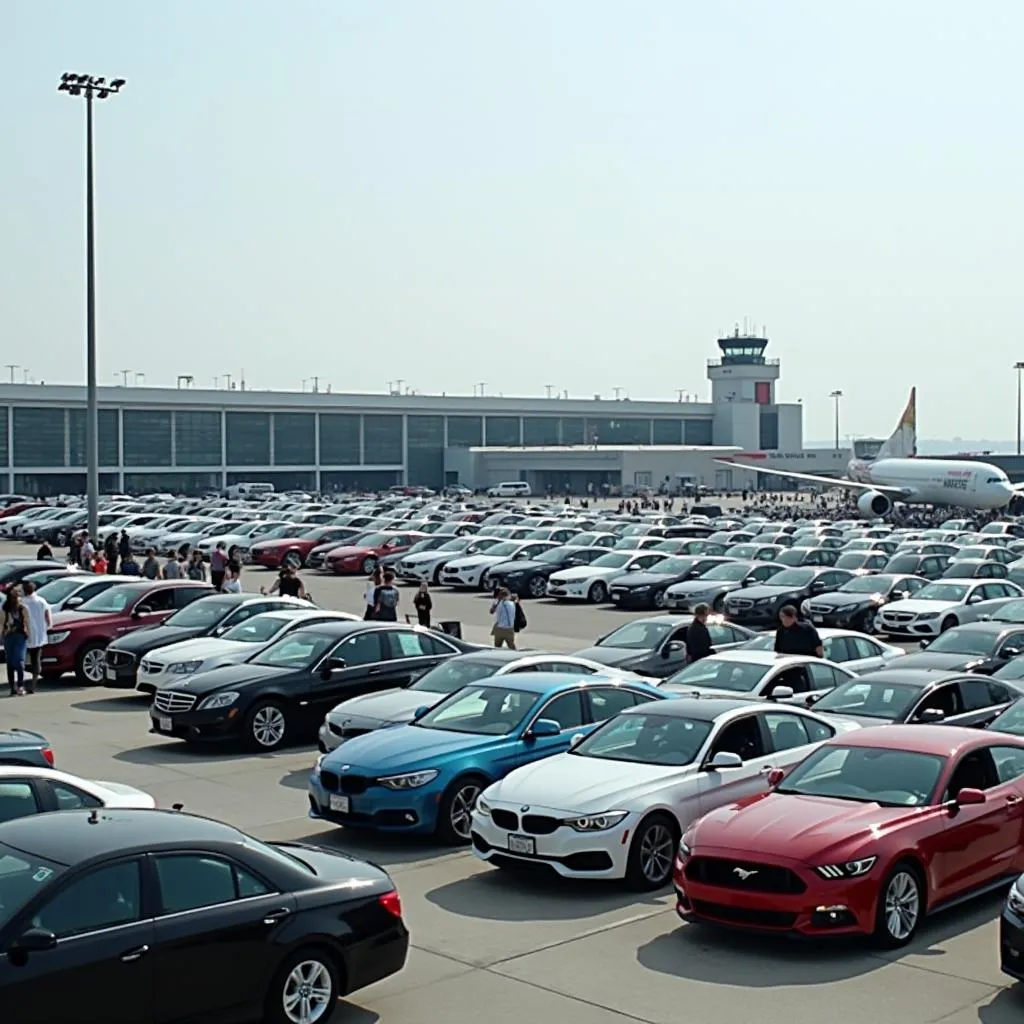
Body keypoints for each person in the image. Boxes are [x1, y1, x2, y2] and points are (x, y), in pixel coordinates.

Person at [20, 581, 51, 695]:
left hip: (25, 635)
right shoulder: (42, 601)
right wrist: (47, 627)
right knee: (36, 660)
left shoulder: (22, 602)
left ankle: (19, 684)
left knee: (21, 659)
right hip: (39, 635)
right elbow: (48, 618)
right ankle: (33, 684)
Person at [2, 588, 28, 696]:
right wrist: (7, 629)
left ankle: (20, 685)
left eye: (18, 597)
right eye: (14, 597)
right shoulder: (5, 609)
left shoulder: (23, 609)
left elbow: (26, 623)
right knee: (10, 662)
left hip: (20, 637)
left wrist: (26, 631)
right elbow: (2, 625)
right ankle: (12, 687)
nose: (16, 599)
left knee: (19, 661)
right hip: (9, 637)